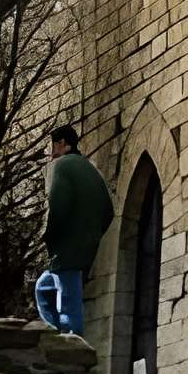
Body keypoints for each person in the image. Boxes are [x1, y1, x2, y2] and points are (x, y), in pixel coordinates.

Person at [35, 124, 113, 335]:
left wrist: (49, 238)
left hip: (68, 249)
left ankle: (72, 354)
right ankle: (55, 337)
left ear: (61, 144)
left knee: (69, 307)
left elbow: (58, 207)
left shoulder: (61, 166)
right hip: (87, 246)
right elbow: (109, 212)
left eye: (51, 146)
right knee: (43, 288)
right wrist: (92, 235)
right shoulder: (90, 168)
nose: (50, 152)